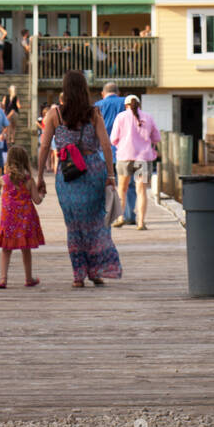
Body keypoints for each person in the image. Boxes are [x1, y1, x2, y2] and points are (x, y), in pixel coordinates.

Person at [36, 70, 122, 288]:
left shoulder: (54, 114)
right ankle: (95, 272)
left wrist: (39, 176)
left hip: (67, 174)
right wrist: (110, 174)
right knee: (95, 223)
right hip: (93, 171)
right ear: (84, 89)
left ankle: (78, 275)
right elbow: (105, 145)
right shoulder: (93, 112)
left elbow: (45, 146)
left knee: (73, 226)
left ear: (65, 89)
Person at [0, 145, 44, 288]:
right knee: (25, 249)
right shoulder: (29, 180)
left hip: (8, 220)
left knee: (6, 249)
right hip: (25, 220)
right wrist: (42, 194)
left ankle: (3, 279)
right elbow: (37, 201)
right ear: (25, 162)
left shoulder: (4, 179)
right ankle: (28, 278)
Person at [110, 95, 160, 231]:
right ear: (139, 104)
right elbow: (157, 137)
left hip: (125, 157)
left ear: (126, 105)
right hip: (143, 159)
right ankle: (141, 222)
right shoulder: (148, 117)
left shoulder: (120, 117)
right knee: (141, 191)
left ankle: (120, 218)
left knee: (122, 189)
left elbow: (113, 139)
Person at [94, 83, 136, 225]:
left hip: (101, 152)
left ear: (102, 93)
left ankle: (107, 214)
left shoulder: (97, 106)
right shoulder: (125, 103)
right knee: (128, 185)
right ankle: (129, 215)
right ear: (118, 92)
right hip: (124, 151)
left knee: (104, 185)